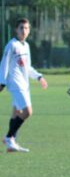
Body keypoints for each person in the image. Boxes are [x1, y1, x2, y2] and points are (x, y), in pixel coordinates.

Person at [0, 18, 48, 153]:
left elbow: (27, 67)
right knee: (28, 112)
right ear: (16, 29)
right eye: (21, 28)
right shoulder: (12, 45)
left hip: (24, 83)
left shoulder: (25, 46)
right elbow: (4, 64)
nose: (24, 30)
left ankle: (11, 143)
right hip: (15, 84)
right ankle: (9, 137)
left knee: (17, 112)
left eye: (26, 28)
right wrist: (2, 82)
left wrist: (39, 77)